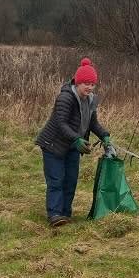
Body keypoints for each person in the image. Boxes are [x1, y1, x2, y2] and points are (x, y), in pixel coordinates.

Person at [34, 58, 111, 227]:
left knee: (71, 180)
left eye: (92, 84)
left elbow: (92, 123)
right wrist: (76, 138)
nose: (89, 87)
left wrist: (104, 135)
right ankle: (54, 214)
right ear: (77, 82)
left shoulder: (90, 100)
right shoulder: (66, 97)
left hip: (73, 146)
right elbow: (61, 123)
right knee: (56, 180)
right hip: (53, 145)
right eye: (86, 84)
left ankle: (65, 214)